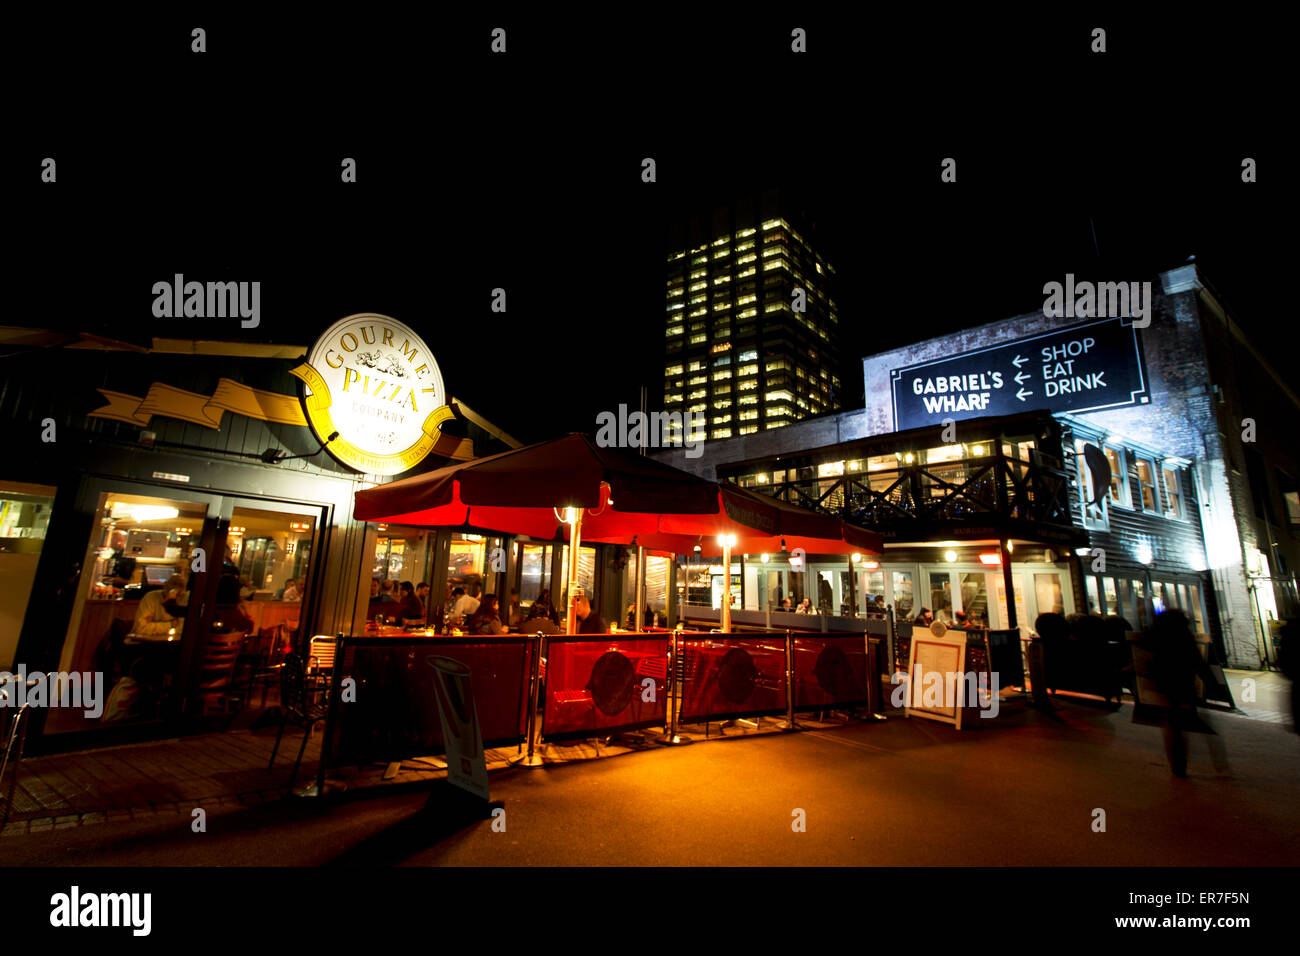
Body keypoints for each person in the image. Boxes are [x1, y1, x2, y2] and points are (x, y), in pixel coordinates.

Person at [1145, 608, 1218, 777]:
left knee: (1173, 725)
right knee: (1180, 723)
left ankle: (1177, 764)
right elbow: (1197, 661)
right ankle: (1181, 762)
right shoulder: (1184, 636)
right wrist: (1210, 682)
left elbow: (1147, 658)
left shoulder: (1156, 636)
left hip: (1164, 684)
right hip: (1183, 683)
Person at [130, 574, 186, 639]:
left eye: (180, 586)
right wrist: (171, 624)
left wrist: (153, 625)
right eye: (174, 584)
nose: (177, 590)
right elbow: (140, 628)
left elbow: (183, 628)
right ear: (165, 585)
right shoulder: (150, 598)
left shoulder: (186, 600)